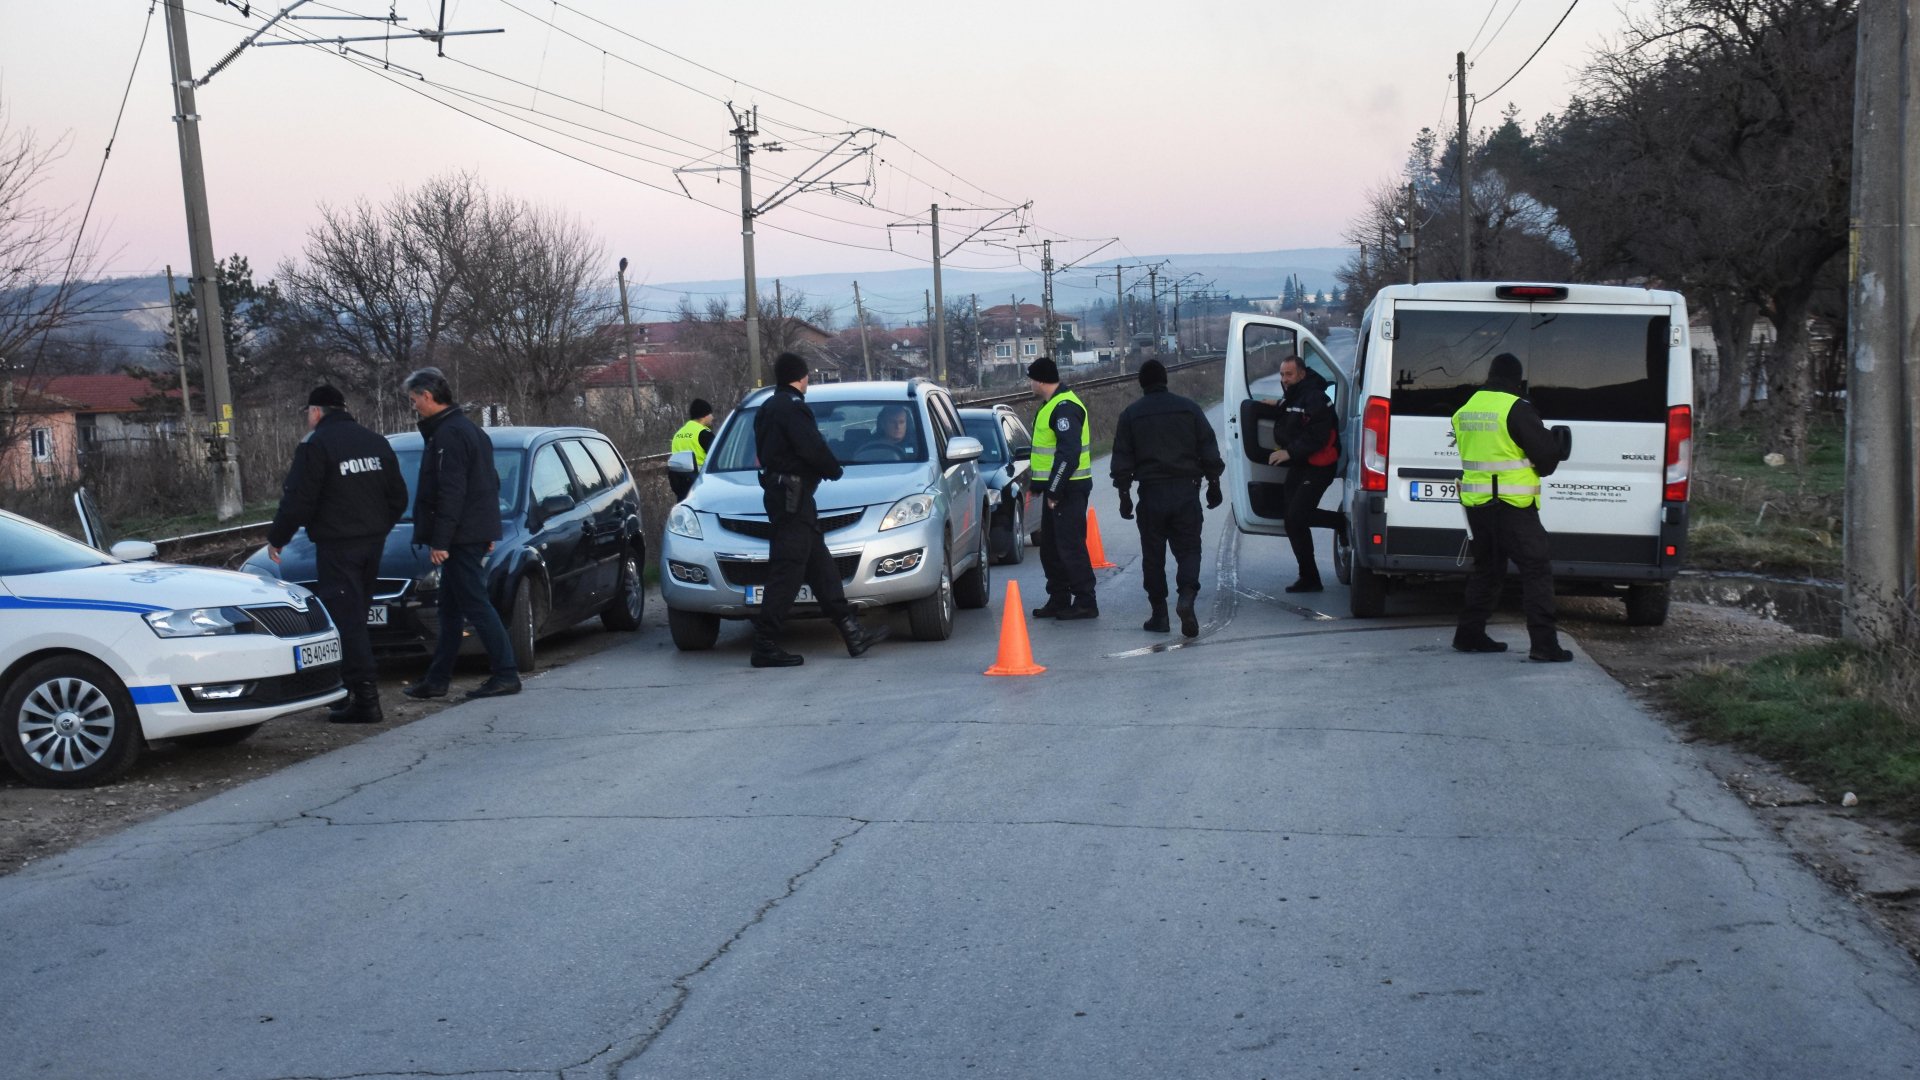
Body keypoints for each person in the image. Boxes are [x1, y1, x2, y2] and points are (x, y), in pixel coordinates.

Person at [266, 385, 408, 724]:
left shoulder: (315, 446)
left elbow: (298, 499)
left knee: (347, 619)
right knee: (358, 614)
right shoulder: (376, 441)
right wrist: (377, 529)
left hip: (338, 547)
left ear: (316, 412)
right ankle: (352, 692)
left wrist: (277, 538)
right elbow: (399, 497)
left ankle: (366, 700)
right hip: (373, 545)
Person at [749, 352, 891, 668]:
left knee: (822, 568)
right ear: (801, 378)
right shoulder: (794, 408)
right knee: (787, 572)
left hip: (786, 496)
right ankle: (765, 643)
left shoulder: (766, 408)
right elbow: (811, 447)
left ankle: (853, 633)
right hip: (793, 499)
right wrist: (833, 468)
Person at [398, 367, 523, 699]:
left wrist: (441, 541)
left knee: (476, 604)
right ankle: (437, 679)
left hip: (460, 536)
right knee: (450, 610)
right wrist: (488, 527)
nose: (414, 408)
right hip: (471, 531)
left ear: (427, 396)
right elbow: (489, 483)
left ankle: (506, 673)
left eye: (414, 401)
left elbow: (451, 491)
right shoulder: (469, 430)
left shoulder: (448, 436)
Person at [1451, 351, 1573, 662]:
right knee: (1536, 569)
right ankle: (1545, 645)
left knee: (1488, 569)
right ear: (1516, 379)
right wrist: (1554, 449)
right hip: (1511, 504)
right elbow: (1545, 459)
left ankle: (1469, 634)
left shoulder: (1466, 409)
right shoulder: (1516, 409)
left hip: (1477, 503)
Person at [1111, 359, 1224, 637]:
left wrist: (1124, 494)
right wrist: (1214, 483)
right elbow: (1208, 448)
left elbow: (1122, 459)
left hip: (1151, 493)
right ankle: (1186, 595)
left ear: (1141, 383)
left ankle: (1159, 614)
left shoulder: (1131, 415)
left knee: (1153, 556)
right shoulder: (1189, 409)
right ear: (1166, 380)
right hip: (1186, 491)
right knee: (1188, 550)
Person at [1265, 354, 1347, 593]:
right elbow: (1293, 411)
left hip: (1320, 465)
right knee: (1292, 519)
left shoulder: (1316, 397)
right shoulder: (1295, 395)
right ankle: (1309, 577)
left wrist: (1289, 452)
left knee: (1298, 516)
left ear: (1301, 374)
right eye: (1281, 374)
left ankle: (1340, 522)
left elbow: (1317, 436)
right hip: (1303, 463)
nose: (1284, 379)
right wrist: (1277, 405)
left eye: (1289, 374)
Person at [1027, 356, 1098, 620]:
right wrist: (1038, 484)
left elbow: (1068, 454)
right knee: (1051, 549)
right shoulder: (1050, 405)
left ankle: (1085, 602)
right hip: (1057, 489)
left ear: (1041, 380)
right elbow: (1048, 452)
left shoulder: (1065, 407)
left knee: (1070, 547)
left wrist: (1054, 491)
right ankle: (1059, 599)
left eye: (1031, 379)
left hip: (1068, 490)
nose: (1030, 384)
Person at [668, 399, 715, 501]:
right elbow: (718, 457)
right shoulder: (703, 433)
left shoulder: (678, 434)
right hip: (702, 485)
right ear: (704, 415)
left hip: (681, 488)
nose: (713, 417)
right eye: (711, 414)